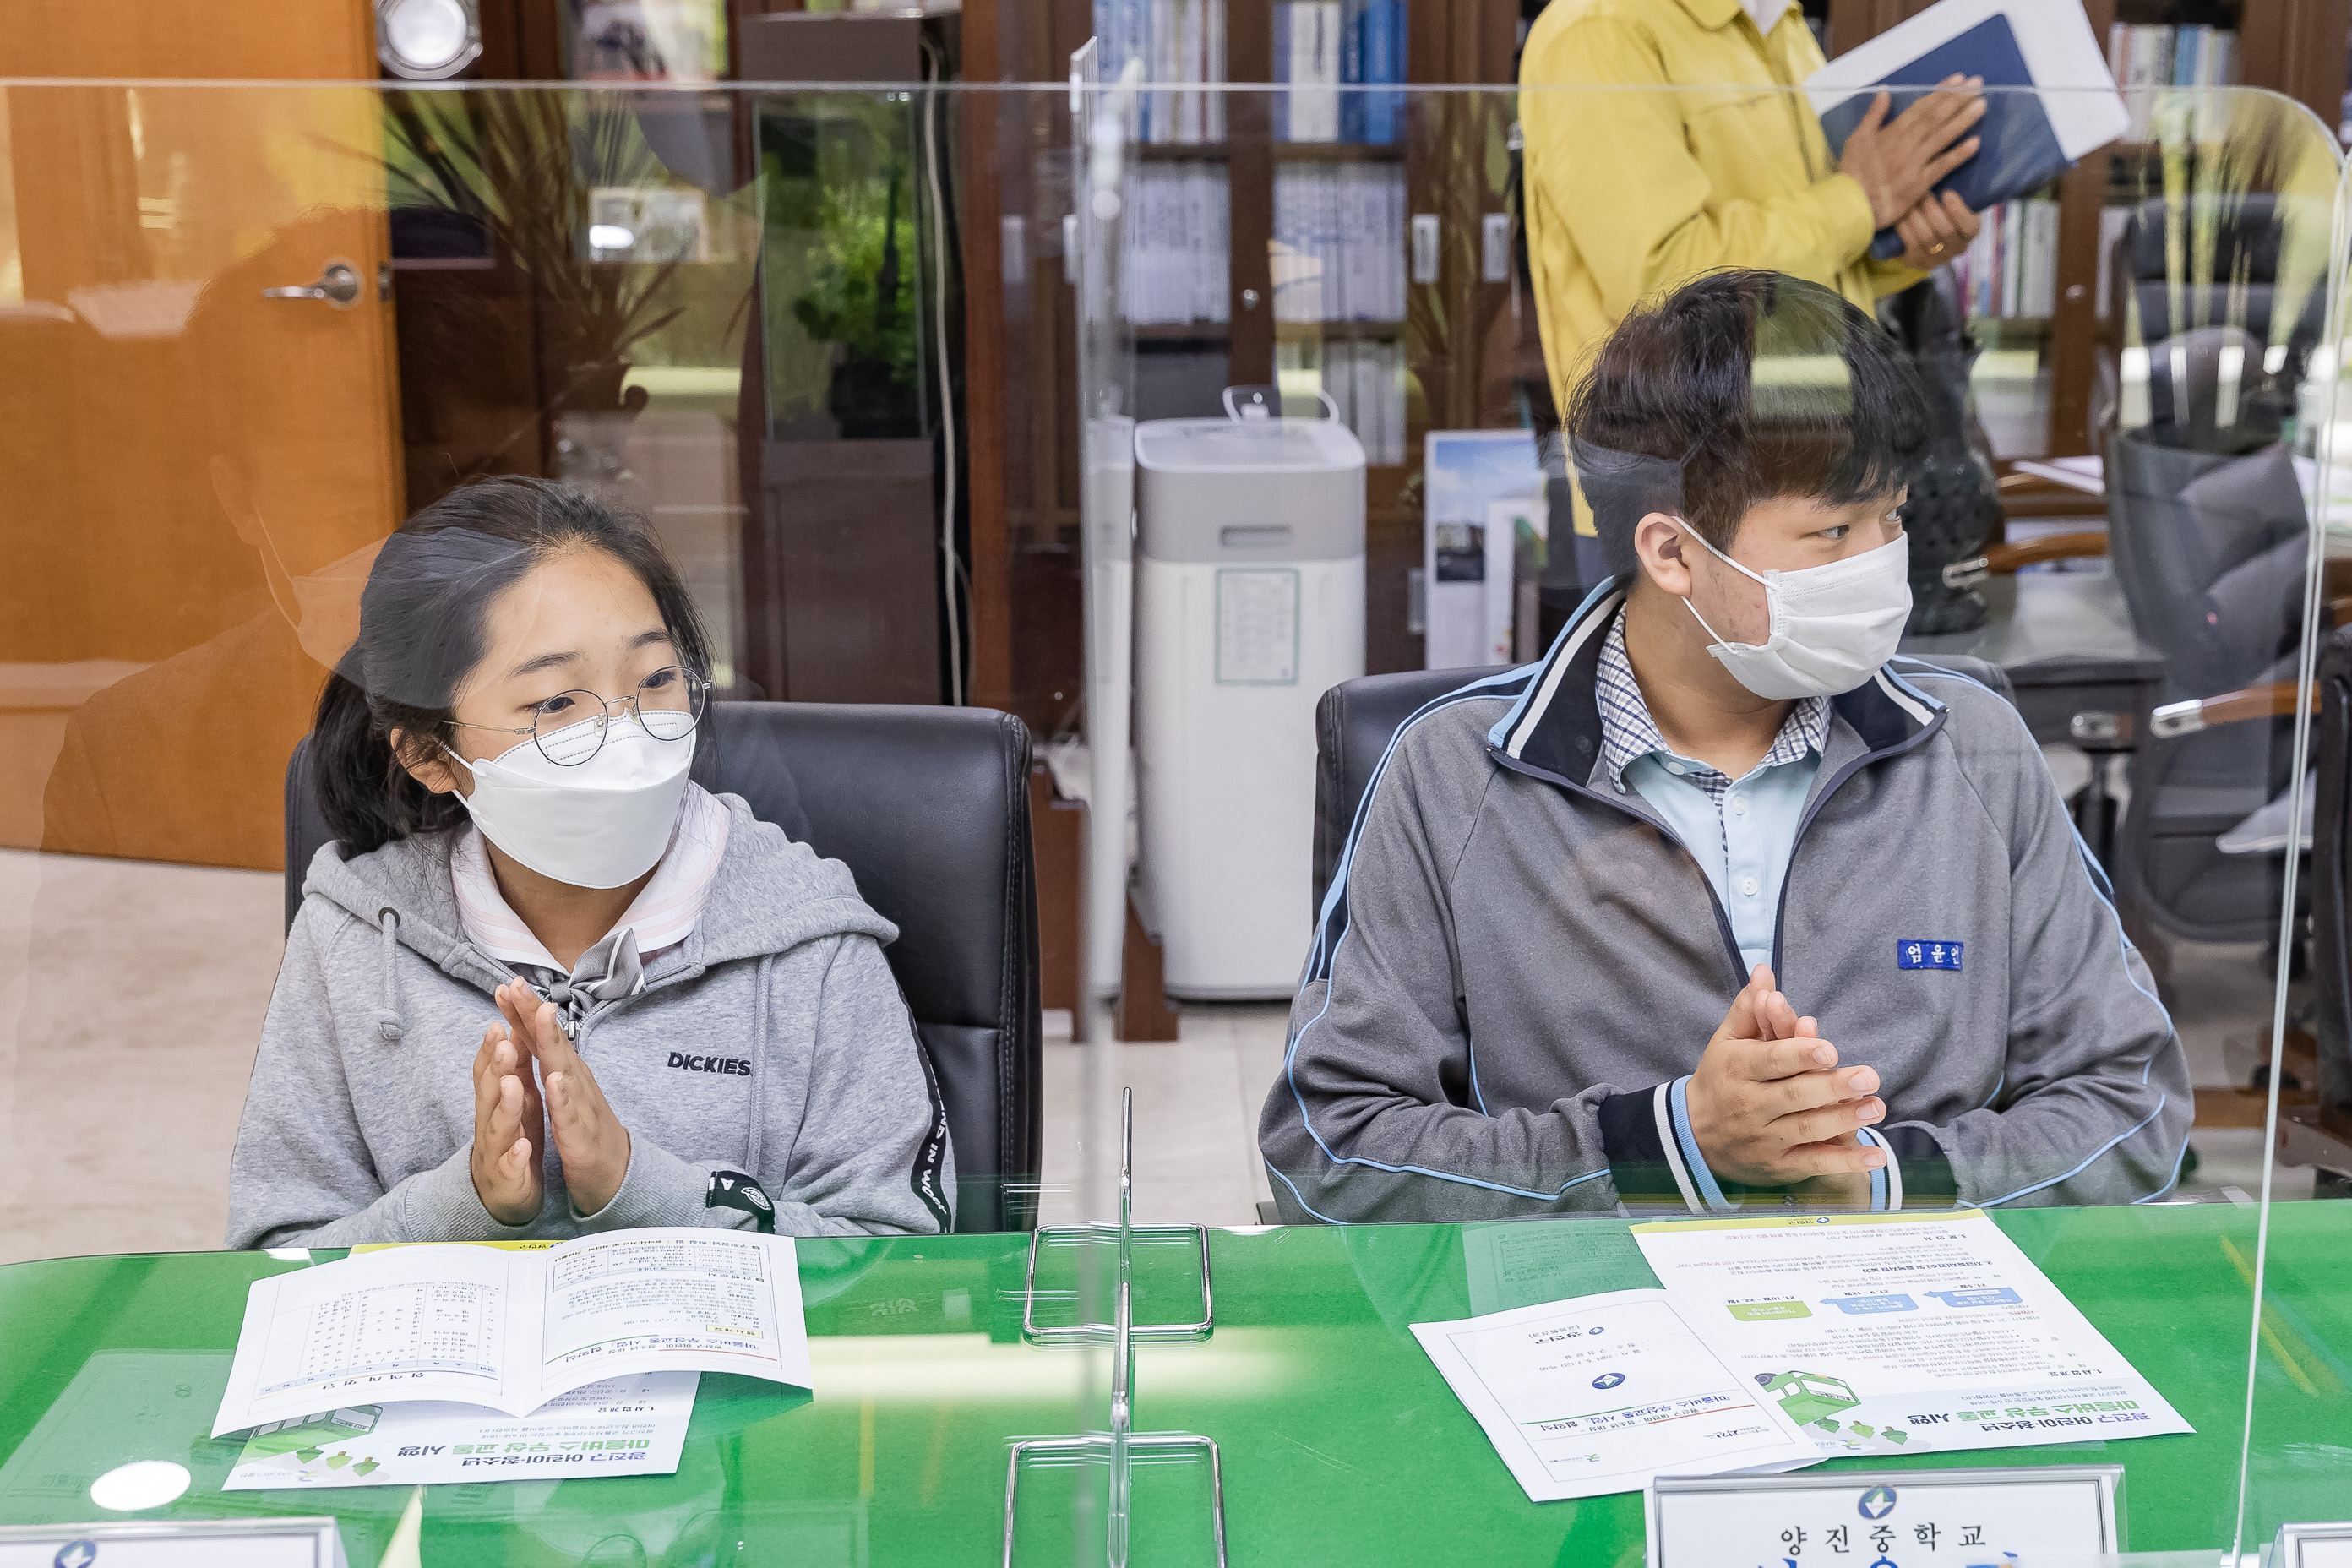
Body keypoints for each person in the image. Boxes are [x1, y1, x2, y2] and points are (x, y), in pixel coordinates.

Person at [1260, 270, 2189, 1221]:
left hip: (1911, 1324)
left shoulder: (1973, 753)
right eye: (1832, 532)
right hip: (1599, 1337)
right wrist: (1664, 1146)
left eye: (1892, 517)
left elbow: (2134, 1102)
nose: (1879, 562)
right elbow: (1327, 1148)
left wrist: (1896, 1177)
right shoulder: (1450, 774)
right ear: (1671, 553)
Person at [226, 477, 953, 1247]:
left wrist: (646, 1192)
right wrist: (465, 1203)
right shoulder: (350, 937)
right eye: (554, 703)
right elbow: (274, 1256)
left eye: (656, 680)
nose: (627, 733)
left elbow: (898, 1256)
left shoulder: (810, 939)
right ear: (429, 756)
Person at [1518, 0, 1989, 577]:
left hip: (1820, 465)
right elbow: (1662, 285)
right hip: (1683, 497)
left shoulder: (1784, 26)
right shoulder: (1599, 30)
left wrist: (1904, 248)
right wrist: (1859, 203)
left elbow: (1817, 254)